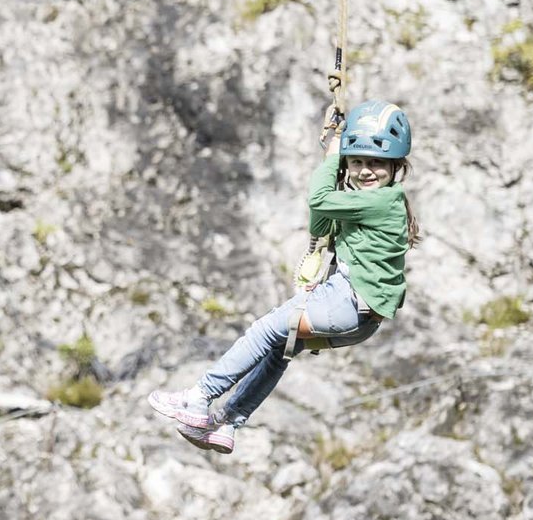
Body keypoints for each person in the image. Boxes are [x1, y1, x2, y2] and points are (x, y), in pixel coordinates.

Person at [147, 100, 419, 454]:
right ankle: (228, 421)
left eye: (376, 163)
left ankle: (199, 397)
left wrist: (334, 154)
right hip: (361, 318)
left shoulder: (382, 202)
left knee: (265, 329)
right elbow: (320, 222)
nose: (366, 171)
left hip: (347, 300)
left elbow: (318, 200)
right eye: (358, 162)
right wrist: (335, 157)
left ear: (396, 166)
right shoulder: (365, 203)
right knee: (280, 346)